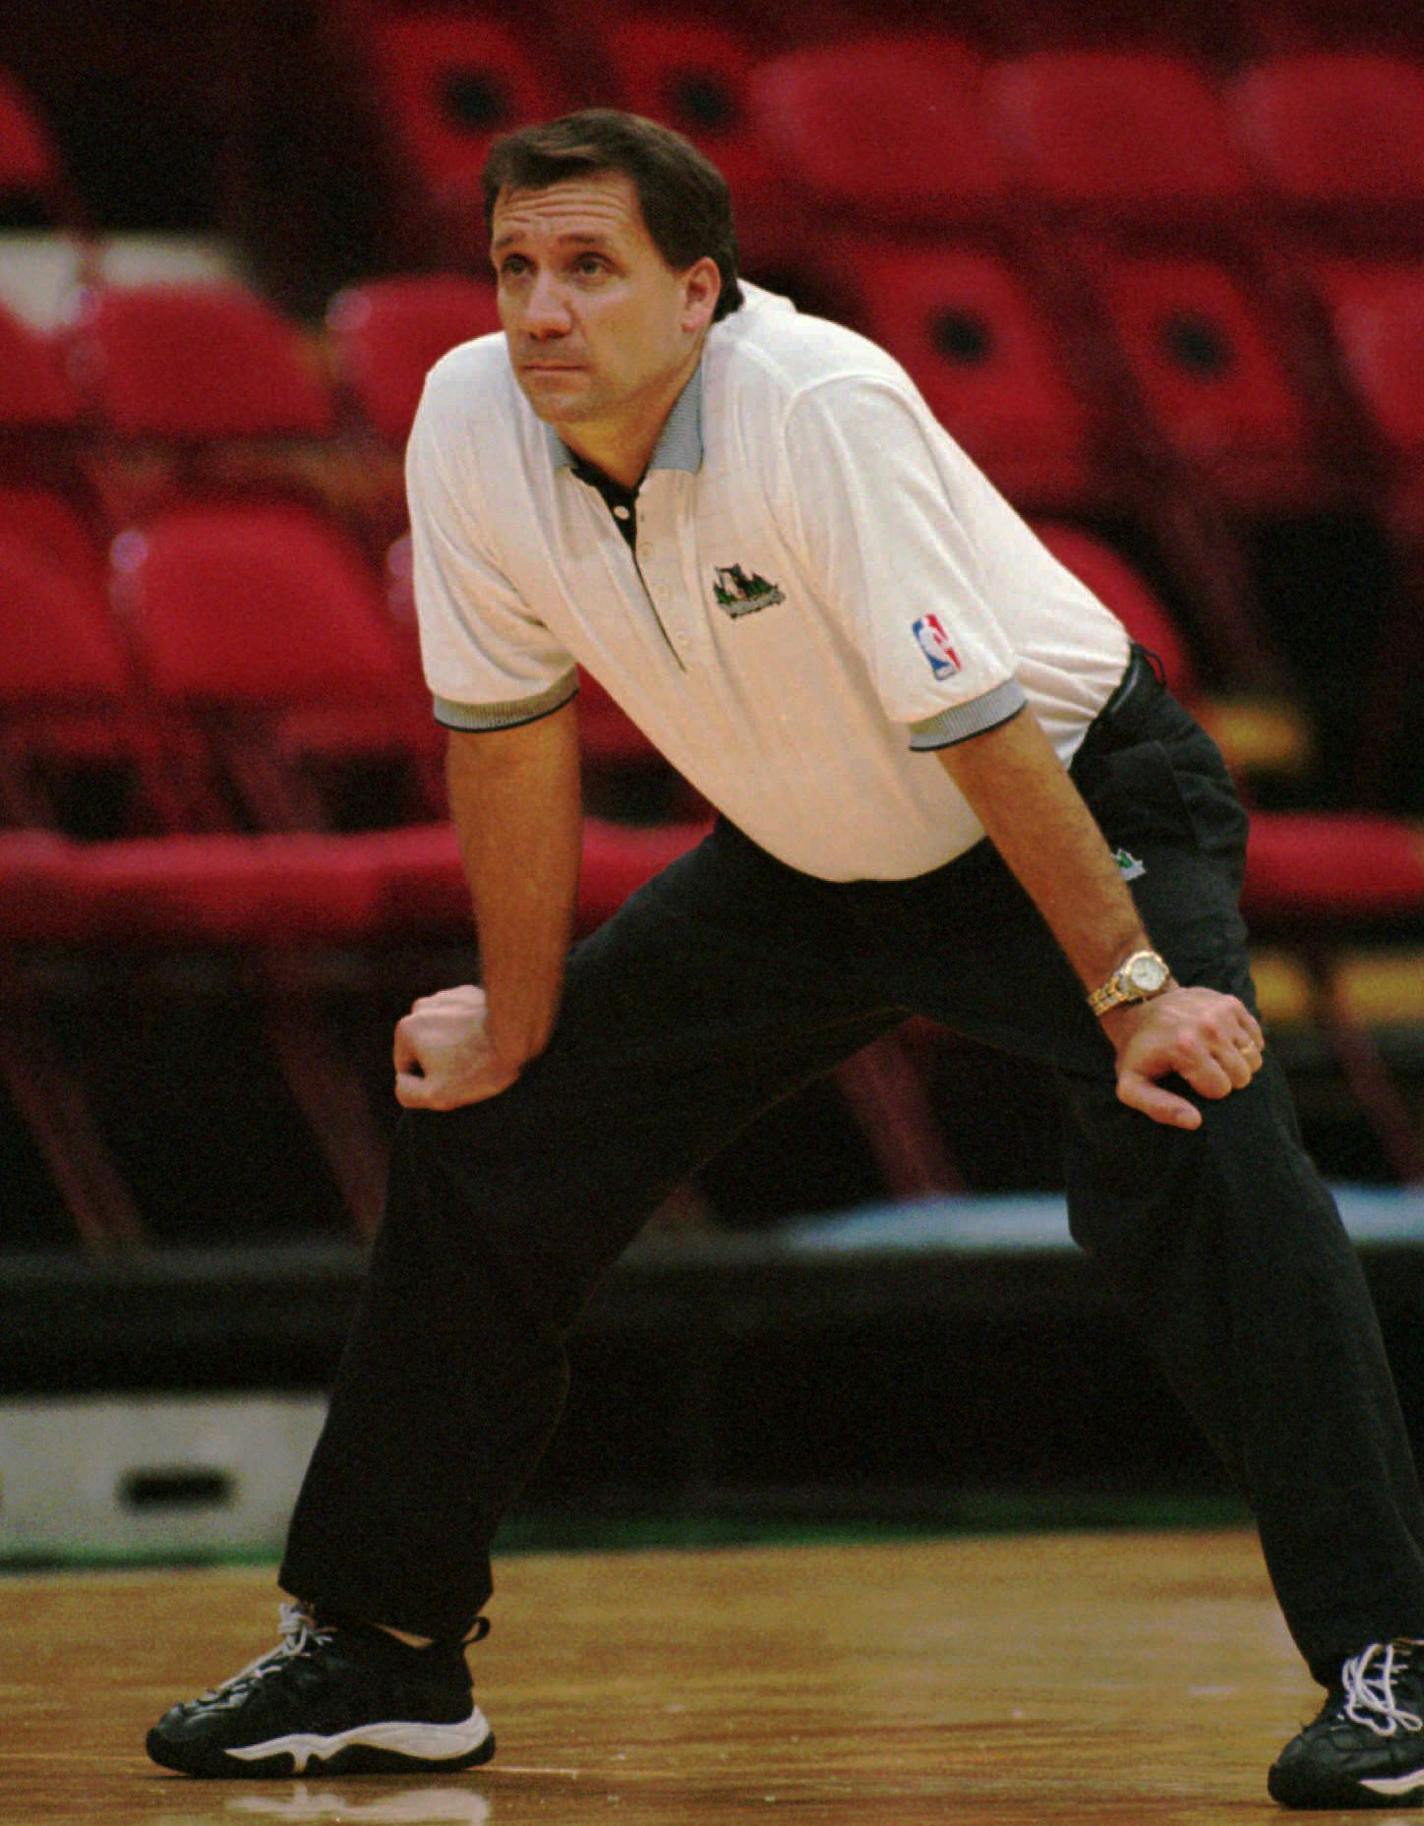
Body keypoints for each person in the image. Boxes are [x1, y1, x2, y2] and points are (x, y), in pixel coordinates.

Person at [147, 110, 1424, 1808]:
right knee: (494, 1140)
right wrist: (517, 1021)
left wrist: (1135, 991)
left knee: (1201, 1147)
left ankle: (1393, 1659)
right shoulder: (466, 419)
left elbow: (978, 726)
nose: (539, 309)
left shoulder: (817, 404)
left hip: (1062, 798)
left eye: (587, 268)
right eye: (514, 266)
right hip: (808, 853)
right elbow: (508, 739)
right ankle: (383, 1647)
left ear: (699, 293)